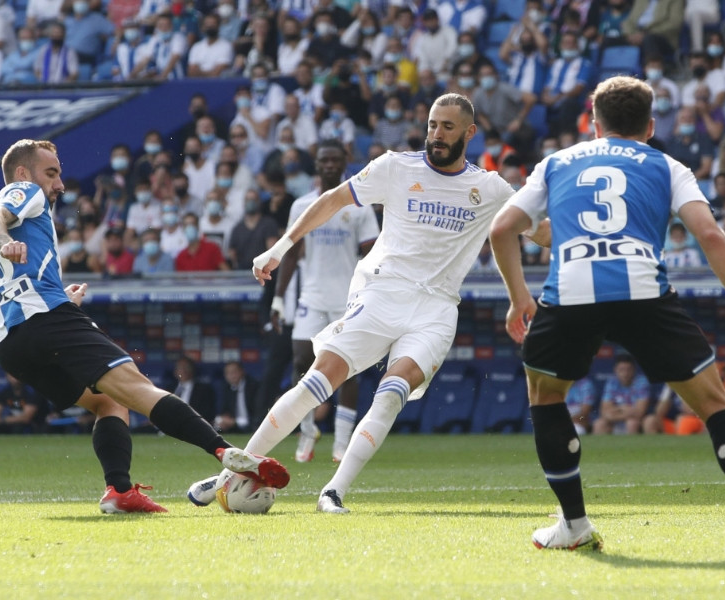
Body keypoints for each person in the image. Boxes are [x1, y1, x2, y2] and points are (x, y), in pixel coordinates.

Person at [488, 76, 725, 553]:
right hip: (645, 292)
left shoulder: (557, 163)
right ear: (650, 125)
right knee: (716, 405)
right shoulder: (667, 164)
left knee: (547, 397)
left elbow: (502, 230)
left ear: (594, 124)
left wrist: (520, 297)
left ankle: (574, 526)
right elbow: (711, 235)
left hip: (572, 291)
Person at [189, 93, 516, 513]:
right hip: (382, 292)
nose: (436, 134)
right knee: (317, 380)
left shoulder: (488, 187)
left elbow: (532, 228)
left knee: (391, 394)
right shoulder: (396, 166)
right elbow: (331, 200)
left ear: (470, 132)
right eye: (433, 124)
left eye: (448, 127)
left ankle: (333, 491)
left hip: (436, 308)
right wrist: (281, 248)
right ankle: (231, 474)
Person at [0, 139, 290, 514]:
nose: (60, 184)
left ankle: (120, 492)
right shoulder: (23, 191)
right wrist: (4, 240)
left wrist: (59, 296)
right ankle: (226, 452)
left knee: (108, 402)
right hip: (44, 320)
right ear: (25, 174)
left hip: (9, 342)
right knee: (136, 387)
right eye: (52, 173)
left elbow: (17, 281)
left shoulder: (30, 217)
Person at [270, 140, 379, 463]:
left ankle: (342, 442)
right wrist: (278, 299)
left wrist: (373, 290)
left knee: (348, 369)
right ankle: (307, 430)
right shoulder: (301, 204)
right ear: (316, 166)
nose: (329, 165)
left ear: (344, 162)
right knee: (302, 359)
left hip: (349, 297)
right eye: (323, 160)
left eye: (335, 160)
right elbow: (290, 253)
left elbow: (372, 250)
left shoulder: (359, 205)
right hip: (312, 296)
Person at [215, 360, 259, 434]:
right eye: (227, 373)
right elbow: (224, 410)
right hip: (234, 427)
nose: (231, 376)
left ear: (242, 372)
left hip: (253, 425)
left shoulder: (254, 387)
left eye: (234, 372)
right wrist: (224, 418)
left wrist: (234, 422)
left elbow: (258, 414)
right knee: (217, 428)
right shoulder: (227, 389)